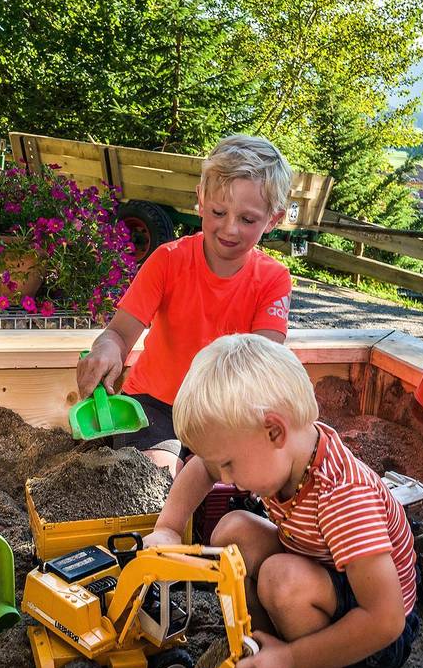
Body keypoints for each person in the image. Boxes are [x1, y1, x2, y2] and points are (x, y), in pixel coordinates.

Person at [146, 333, 419, 668]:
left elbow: (385, 620)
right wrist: (168, 527)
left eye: (228, 464)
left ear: (274, 430)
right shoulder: (282, 452)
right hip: (326, 580)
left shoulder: (343, 496)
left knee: (280, 577)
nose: (223, 478)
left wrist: (293, 660)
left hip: (371, 638)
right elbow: (203, 469)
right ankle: (265, 649)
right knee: (232, 529)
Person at [74, 134, 293, 475]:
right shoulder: (168, 260)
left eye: (248, 220)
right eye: (219, 212)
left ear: (273, 219)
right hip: (155, 406)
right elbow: (119, 332)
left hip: (227, 413)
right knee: (157, 477)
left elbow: (261, 365)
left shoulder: (273, 279)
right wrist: (106, 348)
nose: (230, 229)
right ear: (201, 201)